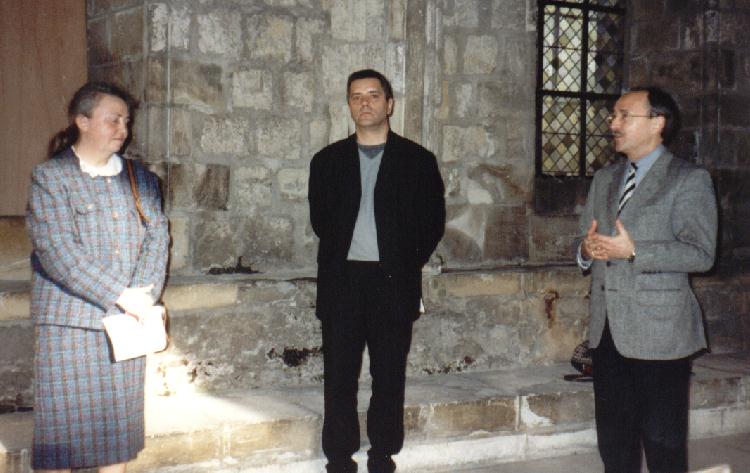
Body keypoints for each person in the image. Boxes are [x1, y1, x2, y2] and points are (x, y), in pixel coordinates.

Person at [26, 82, 169, 473]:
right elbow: (57, 252)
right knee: (61, 444)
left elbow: (157, 238)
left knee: (116, 442)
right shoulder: (51, 178)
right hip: (70, 325)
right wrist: (122, 295)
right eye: (112, 119)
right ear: (82, 121)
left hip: (126, 325)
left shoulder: (142, 180)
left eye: (125, 120)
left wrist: (143, 296)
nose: (122, 128)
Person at [308, 69, 445, 473]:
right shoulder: (328, 161)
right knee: (339, 375)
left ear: (389, 104)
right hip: (343, 282)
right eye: (356, 96)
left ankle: (382, 454)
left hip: (392, 282)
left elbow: (431, 223)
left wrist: (400, 262)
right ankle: (338, 456)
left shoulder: (417, 161)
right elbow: (322, 222)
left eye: (373, 95)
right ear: (349, 105)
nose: (364, 102)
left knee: (389, 376)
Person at [576, 86, 717, 472]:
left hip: (660, 334)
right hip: (607, 332)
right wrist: (586, 251)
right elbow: (584, 239)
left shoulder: (689, 179)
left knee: (663, 444)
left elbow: (702, 254)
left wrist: (634, 252)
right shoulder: (605, 179)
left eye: (624, 116)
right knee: (615, 444)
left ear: (657, 123)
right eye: (613, 116)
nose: (613, 124)